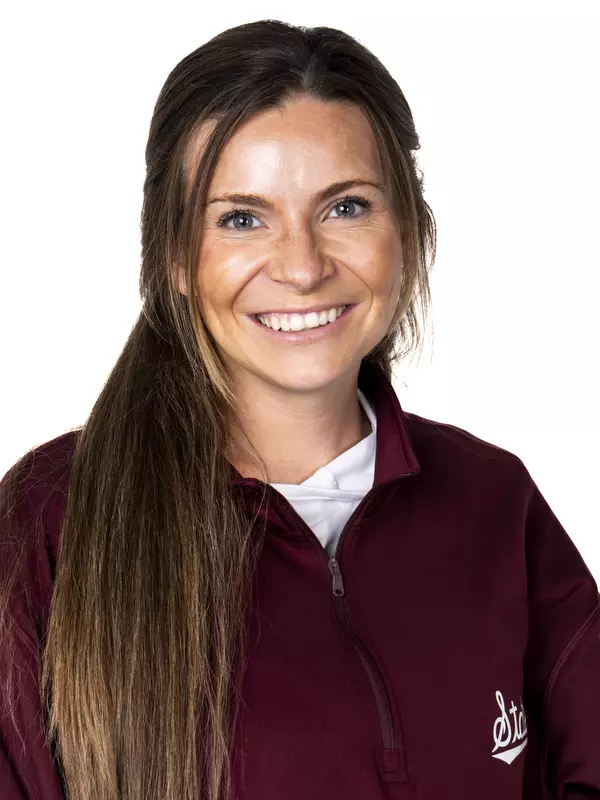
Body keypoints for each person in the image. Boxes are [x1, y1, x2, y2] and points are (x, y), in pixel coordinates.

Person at [0, 18, 598, 800]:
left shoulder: (493, 501)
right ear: (175, 255)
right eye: (242, 219)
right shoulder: (50, 525)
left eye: (345, 207)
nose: (303, 266)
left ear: (408, 228)